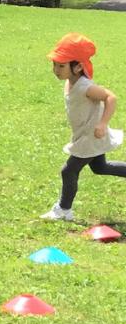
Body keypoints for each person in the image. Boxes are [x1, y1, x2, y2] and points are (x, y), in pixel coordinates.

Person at [41, 32, 126, 221]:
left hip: (91, 136)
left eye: (61, 65)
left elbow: (110, 97)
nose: (56, 69)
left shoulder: (85, 87)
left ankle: (64, 210)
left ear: (78, 66)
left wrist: (103, 124)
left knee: (69, 170)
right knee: (100, 167)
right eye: (54, 64)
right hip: (85, 135)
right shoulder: (71, 82)